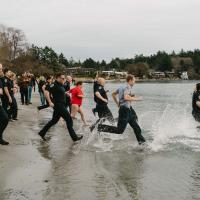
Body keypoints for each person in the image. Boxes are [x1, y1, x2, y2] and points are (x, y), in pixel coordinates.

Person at [97, 75, 146, 145]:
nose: (134, 82)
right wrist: (138, 99)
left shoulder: (121, 87)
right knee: (119, 130)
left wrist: (118, 103)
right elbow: (126, 97)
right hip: (124, 111)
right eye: (134, 80)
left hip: (128, 111)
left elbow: (113, 94)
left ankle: (142, 144)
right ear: (130, 80)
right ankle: (100, 127)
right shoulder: (127, 87)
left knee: (137, 128)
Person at [38, 73, 83, 142]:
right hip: (59, 105)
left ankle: (42, 133)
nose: (63, 79)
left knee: (54, 121)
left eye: (64, 78)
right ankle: (74, 138)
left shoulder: (60, 85)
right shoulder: (54, 84)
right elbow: (46, 92)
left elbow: (58, 92)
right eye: (62, 78)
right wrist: (50, 102)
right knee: (69, 120)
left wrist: (65, 93)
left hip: (60, 105)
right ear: (57, 78)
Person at [0, 64, 9, 145]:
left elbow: (2, 90)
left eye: (1, 69)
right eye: (0, 69)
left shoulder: (1, 79)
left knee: (5, 119)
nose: (1, 70)